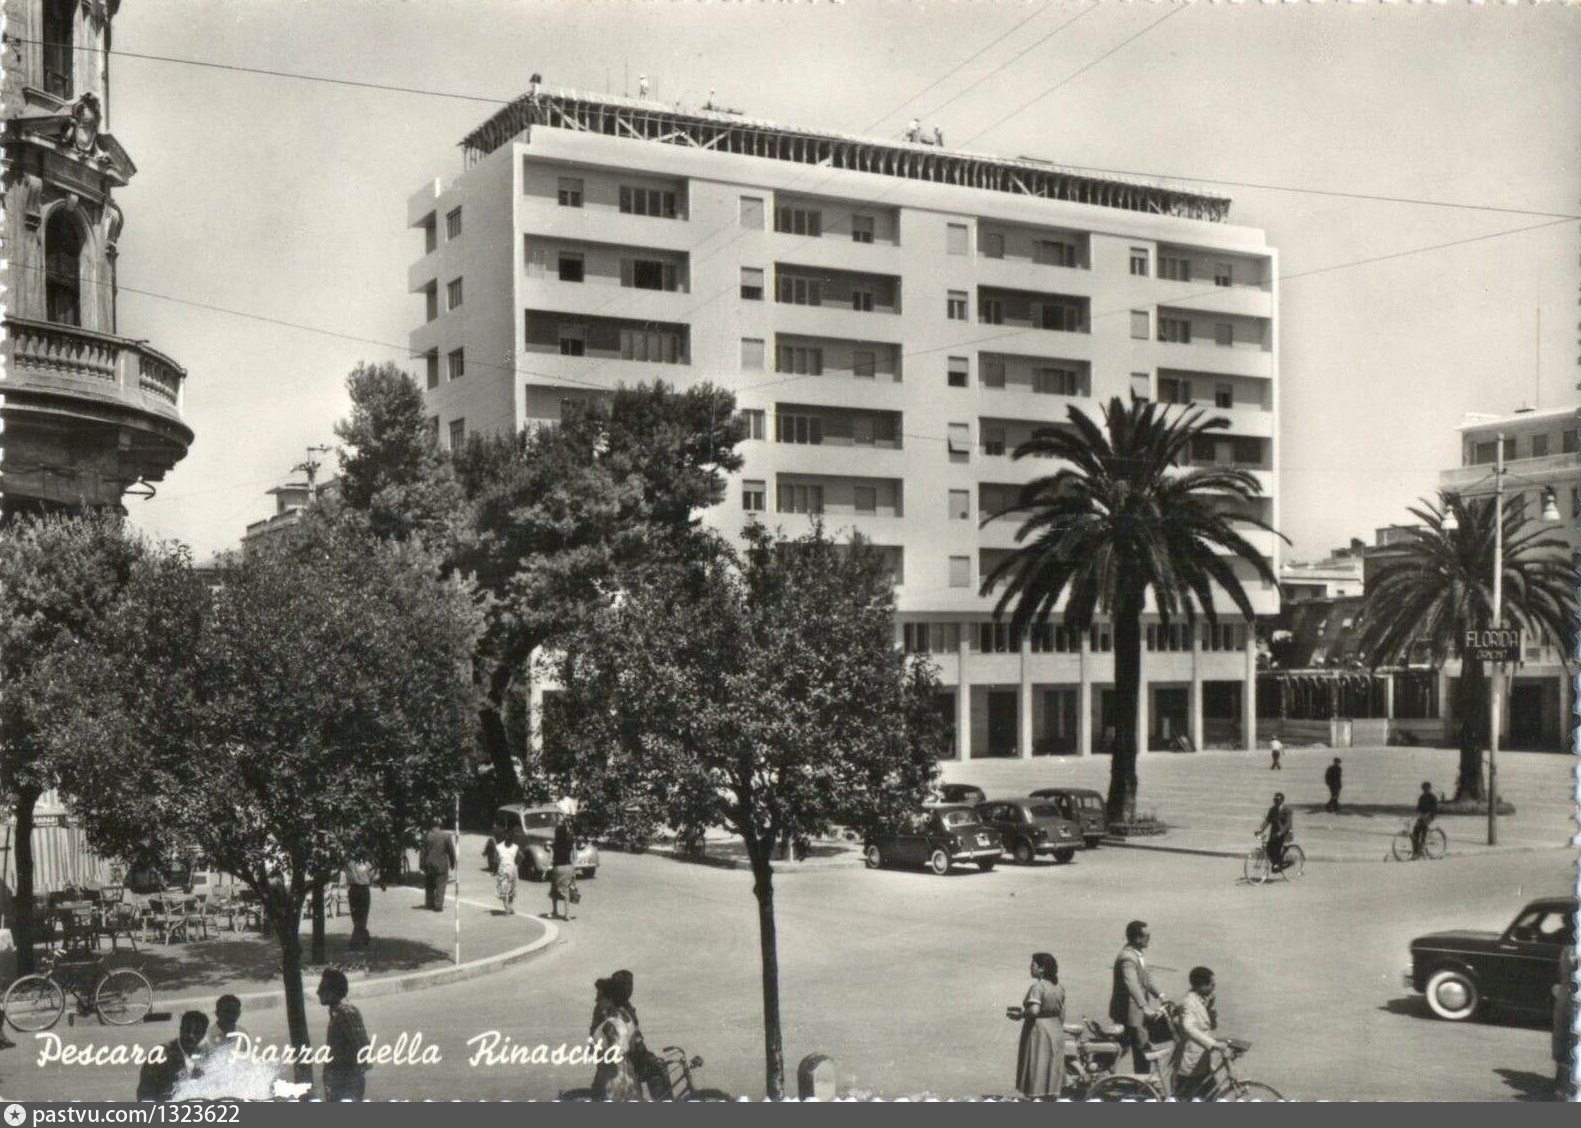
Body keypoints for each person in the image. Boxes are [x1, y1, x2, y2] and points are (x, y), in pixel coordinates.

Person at [1008, 952, 1066, 1099]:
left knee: (1036, 1064)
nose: (1030, 968)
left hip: (1038, 1030)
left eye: (1033, 965)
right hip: (1055, 1028)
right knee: (1050, 1065)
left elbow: (1034, 1010)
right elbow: (1062, 1013)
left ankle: (1036, 1096)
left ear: (1042, 968)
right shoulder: (1058, 987)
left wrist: (1020, 1015)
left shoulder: (1038, 987)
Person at [1109, 920, 1164, 1073]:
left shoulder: (1136, 954)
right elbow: (1131, 983)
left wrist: (1161, 996)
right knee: (1141, 1046)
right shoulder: (1128, 957)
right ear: (1137, 938)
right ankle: (1142, 1081)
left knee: (1126, 1046)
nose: (1149, 939)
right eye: (1147, 936)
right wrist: (1144, 1006)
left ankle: (1135, 1077)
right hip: (1129, 1012)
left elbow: (1145, 978)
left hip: (1134, 1011)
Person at [1170, 967, 1234, 1099]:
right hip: (1191, 1063)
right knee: (1188, 1097)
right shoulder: (1189, 1003)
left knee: (1211, 1096)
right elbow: (1188, 1027)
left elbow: (1212, 1025)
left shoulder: (1202, 1000)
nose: (1213, 988)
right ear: (1202, 985)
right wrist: (1213, 1044)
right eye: (1211, 985)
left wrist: (1210, 1008)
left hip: (1202, 1061)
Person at [318, 968, 371, 1101]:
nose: (318, 992)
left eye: (323, 988)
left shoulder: (345, 1013)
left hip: (346, 1084)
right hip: (340, 1083)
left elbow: (362, 1046)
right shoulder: (337, 1013)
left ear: (334, 992)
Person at [588, 976, 643, 1100]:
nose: (596, 1000)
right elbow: (632, 1045)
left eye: (600, 997)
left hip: (613, 1076)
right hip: (627, 1073)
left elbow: (614, 1052)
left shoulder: (611, 1023)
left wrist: (598, 1052)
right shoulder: (625, 1015)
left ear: (609, 998)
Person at [136, 1010, 208, 1101]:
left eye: (196, 1032)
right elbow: (145, 1094)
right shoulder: (160, 1054)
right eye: (187, 1030)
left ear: (203, 1034)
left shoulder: (203, 1056)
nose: (191, 1036)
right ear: (181, 1029)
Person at [1554, 939, 1577, 1098]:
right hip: (1573, 996)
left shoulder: (1567, 949)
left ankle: (1561, 1085)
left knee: (1564, 1038)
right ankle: (1565, 1087)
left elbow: (1560, 972)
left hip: (1565, 993)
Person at [421, 825, 457, 911]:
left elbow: (423, 852)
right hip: (442, 864)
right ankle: (438, 904)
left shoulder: (427, 836)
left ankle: (429, 903)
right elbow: (451, 851)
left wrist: (422, 865)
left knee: (429, 884)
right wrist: (453, 863)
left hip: (429, 864)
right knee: (441, 884)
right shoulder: (446, 836)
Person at [198, 994, 246, 1059]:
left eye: (235, 1012)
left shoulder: (243, 1034)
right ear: (217, 1013)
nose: (231, 1016)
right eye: (227, 1011)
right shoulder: (206, 1036)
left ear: (239, 1013)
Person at [1257, 792, 1293, 871]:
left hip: (1284, 833)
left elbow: (1288, 824)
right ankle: (1275, 863)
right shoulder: (1272, 810)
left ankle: (1277, 864)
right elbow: (1267, 821)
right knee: (1268, 848)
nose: (1275, 801)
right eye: (1274, 799)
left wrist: (1280, 832)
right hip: (1274, 833)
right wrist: (1260, 830)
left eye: (1277, 800)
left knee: (1276, 848)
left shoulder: (1287, 810)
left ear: (1282, 800)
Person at [550, 822, 577, 921]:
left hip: (558, 868)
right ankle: (567, 914)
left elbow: (551, 859)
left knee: (554, 888)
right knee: (567, 890)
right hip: (569, 867)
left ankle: (555, 910)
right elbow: (575, 856)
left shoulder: (553, 845)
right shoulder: (570, 843)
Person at [345, 857, 373, 948]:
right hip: (354, 889)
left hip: (364, 889)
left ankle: (355, 941)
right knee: (355, 916)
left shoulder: (366, 864)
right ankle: (364, 934)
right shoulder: (349, 863)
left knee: (363, 914)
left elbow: (372, 876)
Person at [1411, 781, 1438, 858]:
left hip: (1430, 815)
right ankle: (1416, 851)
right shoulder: (1422, 797)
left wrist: (1428, 815)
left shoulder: (1433, 797)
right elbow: (1419, 808)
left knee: (1424, 827)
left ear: (1430, 788)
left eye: (1427, 788)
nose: (1425, 790)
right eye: (1424, 789)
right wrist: (1415, 815)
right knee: (1415, 830)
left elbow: (1434, 809)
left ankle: (1422, 847)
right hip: (1422, 815)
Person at [494, 835, 520, 912]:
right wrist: (495, 870)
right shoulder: (499, 847)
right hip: (503, 869)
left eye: (510, 838)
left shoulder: (515, 847)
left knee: (512, 889)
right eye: (507, 837)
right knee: (503, 889)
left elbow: (520, 857)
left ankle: (510, 905)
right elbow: (495, 860)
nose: (509, 839)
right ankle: (506, 907)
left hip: (513, 869)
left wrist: (517, 864)